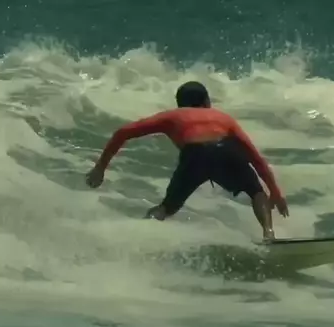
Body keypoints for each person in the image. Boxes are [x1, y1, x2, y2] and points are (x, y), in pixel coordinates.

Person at [85, 81, 289, 240]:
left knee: (166, 208)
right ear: (207, 101)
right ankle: (268, 232)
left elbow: (122, 132)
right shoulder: (223, 118)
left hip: (194, 155)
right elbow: (255, 157)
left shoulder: (173, 116)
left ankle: (139, 235)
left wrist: (100, 168)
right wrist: (276, 193)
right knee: (256, 191)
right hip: (225, 149)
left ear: (179, 103)